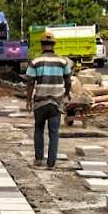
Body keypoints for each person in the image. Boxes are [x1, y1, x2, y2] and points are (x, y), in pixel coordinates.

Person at [25, 32, 71, 169]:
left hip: (40, 102)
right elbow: (68, 80)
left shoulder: (35, 62)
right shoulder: (63, 61)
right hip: (56, 102)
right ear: (54, 44)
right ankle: (51, 163)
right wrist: (66, 94)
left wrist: (28, 99)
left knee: (38, 129)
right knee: (54, 132)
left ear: (41, 44)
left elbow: (30, 82)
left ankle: (39, 159)